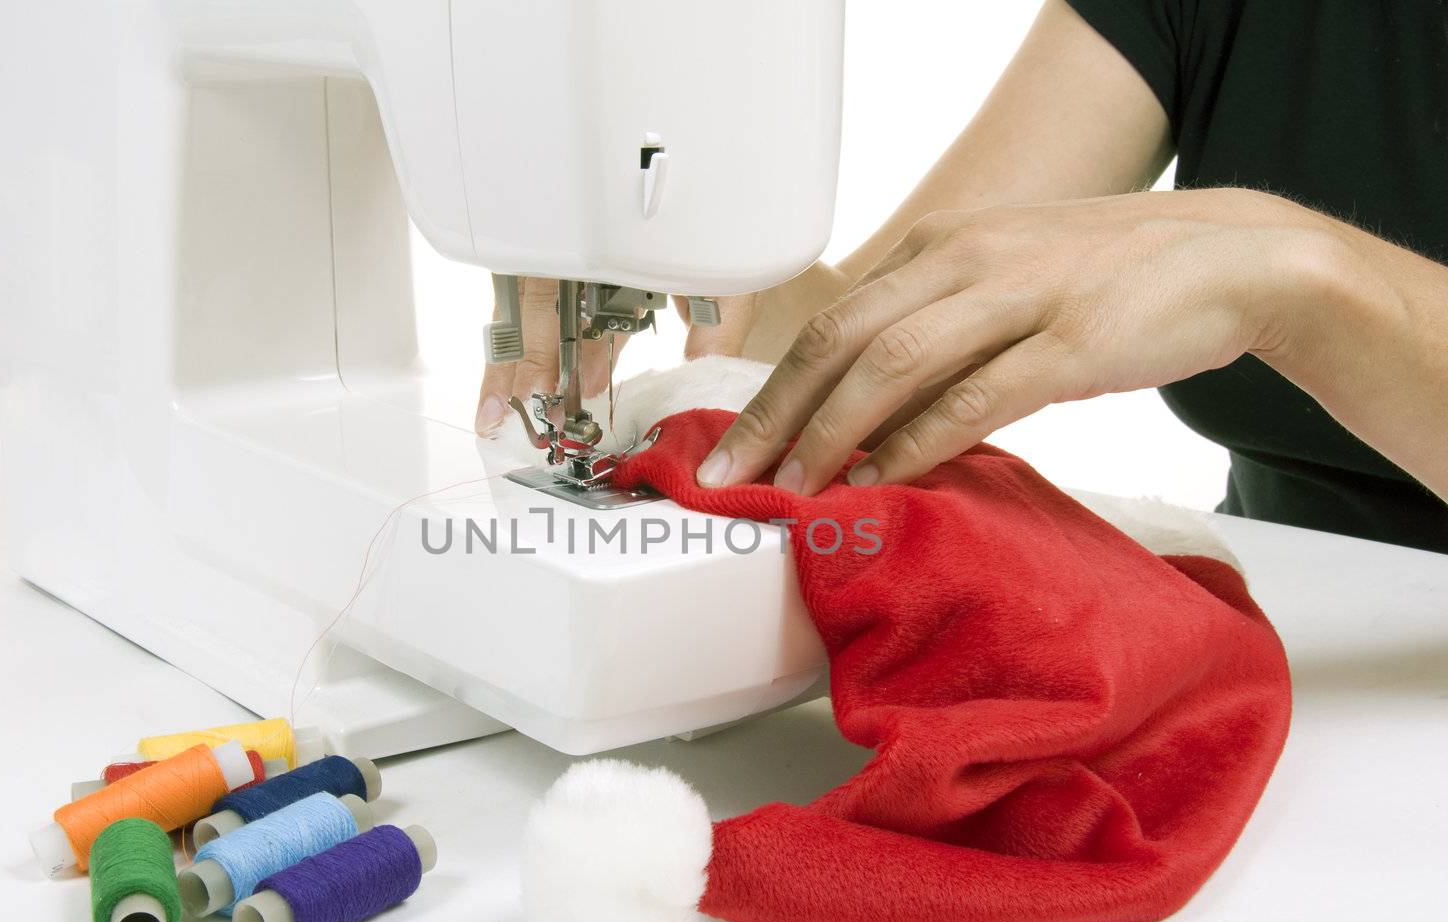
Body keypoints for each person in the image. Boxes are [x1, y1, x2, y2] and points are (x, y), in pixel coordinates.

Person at [478, 0, 1448, 553]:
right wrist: (713, 267)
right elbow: (899, 326)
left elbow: (1277, 271)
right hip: (1298, 624)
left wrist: (1301, 278)